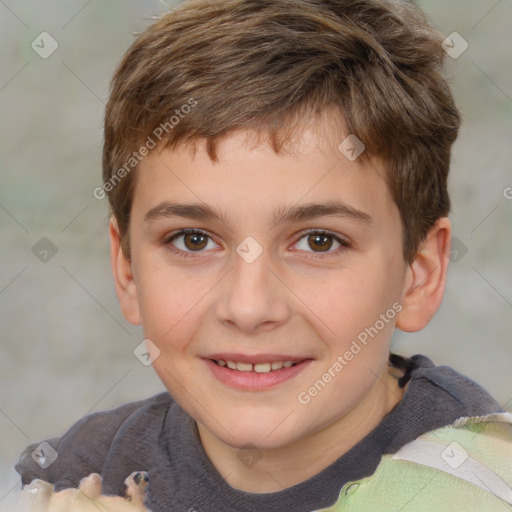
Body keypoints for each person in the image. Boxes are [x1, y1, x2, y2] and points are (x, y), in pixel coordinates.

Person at [14, 0, 512, 510]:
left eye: (319, 241)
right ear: (128, 272)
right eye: (193, 240)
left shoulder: (479, 483)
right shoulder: (76, 476)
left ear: (418, 275)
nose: (249, 308)